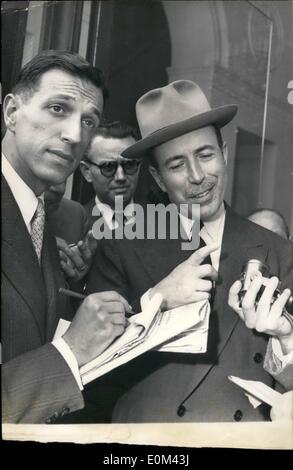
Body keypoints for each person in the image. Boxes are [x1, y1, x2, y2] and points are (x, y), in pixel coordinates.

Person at [87, 80, 293, 422]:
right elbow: (88, 366)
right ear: (156, 176)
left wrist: (286, 338)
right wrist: (156, 300)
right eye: (177, 165)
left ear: (224, 154)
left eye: (206, 155)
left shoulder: (279, 250)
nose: (197, 176)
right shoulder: (120, 244)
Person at [1, 50, 131, 423]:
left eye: (88, 121)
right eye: (58, 108)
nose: (75, 135)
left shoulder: (43, 219)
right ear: (11, 112)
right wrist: (71, 349)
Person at [80, 121, 141, 233]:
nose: (120, 177)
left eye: (129, 165)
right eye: (108, 167)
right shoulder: (74, 228)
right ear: (87, 172)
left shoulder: (165, 223)